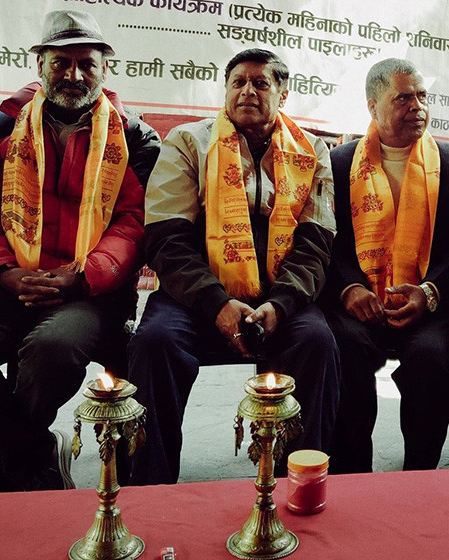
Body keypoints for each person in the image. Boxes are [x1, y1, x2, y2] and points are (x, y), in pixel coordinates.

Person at [0, 10, 160, 492]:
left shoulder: (133, 136)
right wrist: (3, 273)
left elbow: (134, 223)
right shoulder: (2, 127)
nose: (73, 75)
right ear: (40, 65)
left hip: (90, 289)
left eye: (86, 64)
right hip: (8, 282)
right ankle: (33, 454)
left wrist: (83, 275)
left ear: (105, 69)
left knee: (53, 348)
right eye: (60, 63)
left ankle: (15, 463)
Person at [127, 48, 339, 485]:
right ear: (225, 90)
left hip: (279, 293)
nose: (247, 91)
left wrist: (281, 305)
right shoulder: (189, 141)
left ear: (283, 94)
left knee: (317, 342)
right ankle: (149, 490)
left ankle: (300, 485)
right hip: (195, 294)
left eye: (261, 83)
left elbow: (316, 242)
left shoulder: (311, 150)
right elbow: (166, 238)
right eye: (238, 82)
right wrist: (215, 303)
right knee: (154, 342)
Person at [323, 58, 449, 474]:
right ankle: (351, 476)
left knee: (430, 358)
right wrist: (349, 288)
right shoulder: (338, 164)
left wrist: (430, 292)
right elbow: (327, 238)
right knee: (345, 349)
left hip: (432, 304)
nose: (417, 106)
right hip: (359, 302)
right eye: (403, 98)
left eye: (422, 96)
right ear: (372, 105)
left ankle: (418, 476)